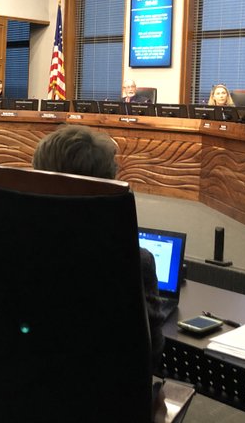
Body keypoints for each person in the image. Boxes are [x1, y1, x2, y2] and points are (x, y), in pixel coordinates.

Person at [32, 125, 166, 411]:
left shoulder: (9, 240)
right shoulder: (133, 261)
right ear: (108, 187)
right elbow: (150, 356)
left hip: (12, 391)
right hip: (97, 404)